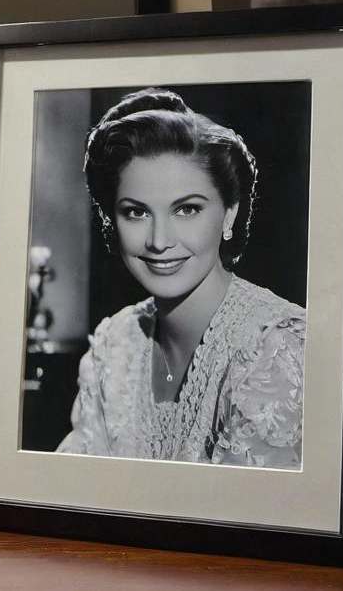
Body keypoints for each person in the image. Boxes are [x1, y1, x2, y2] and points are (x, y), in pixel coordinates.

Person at [56, 88, 306, 469]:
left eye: (187, 209)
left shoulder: (276, 348)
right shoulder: (116, 344)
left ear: (228, 216)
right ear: (112, 220)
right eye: (136, 212)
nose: (159, 241)